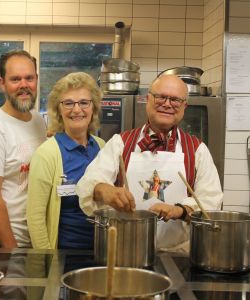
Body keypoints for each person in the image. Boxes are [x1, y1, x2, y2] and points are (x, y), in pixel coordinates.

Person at [76, 74, 223, 252]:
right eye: (161, 97)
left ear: (184, 106)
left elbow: (211, 201)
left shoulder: (198, 150)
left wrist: (180, 211)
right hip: (126, 252)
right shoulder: (119, 143)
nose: (167, 104)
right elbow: (87, 184)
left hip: (180, 255)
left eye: (175, 100)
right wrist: (103, 190)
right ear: (148, 99)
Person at [0, 50, 46, 248]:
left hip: (32, 238)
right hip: (1, 242)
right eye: (15, 79)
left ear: (36, 80)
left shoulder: (39, 122)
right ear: (2, 83)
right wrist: (12, 250)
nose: (24, 85)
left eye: (29, 78)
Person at [27, 72, 105, 250]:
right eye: (68, 103)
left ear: (93, 108)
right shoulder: (47, 154)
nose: (77, 110)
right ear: (58, 110)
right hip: (63, 256)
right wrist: (48, 262)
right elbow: (35, 217)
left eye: (84, 103)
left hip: (102, 251)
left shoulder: (101, 147)